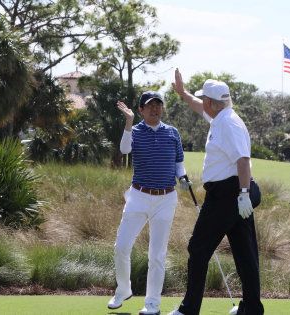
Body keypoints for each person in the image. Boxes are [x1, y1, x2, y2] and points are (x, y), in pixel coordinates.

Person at [168, 68, 264, 315]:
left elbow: (242, 160)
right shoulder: (221, 117)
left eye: (205, 100)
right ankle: (251, 309)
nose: (203, 103)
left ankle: (189, 310)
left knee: (198, 248)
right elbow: (199, 107)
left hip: (227, 195)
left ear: (212, 102)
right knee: (245, 253)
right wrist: (183, 93)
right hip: (233, 194)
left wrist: (243, 194)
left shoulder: (228, 124)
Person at [108, 91, 191, 315]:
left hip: (166, 198)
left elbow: (179, 163)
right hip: (139, 196)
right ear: (141, 110)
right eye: (150, 105)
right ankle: (123, 289)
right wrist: (127, 122)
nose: (155, 109)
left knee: (157, 255)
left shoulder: (172, 133)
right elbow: (125, 150)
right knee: (122, 247)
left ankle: (152, 304)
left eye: (158, 105)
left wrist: (183, 177)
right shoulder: (134, 131)